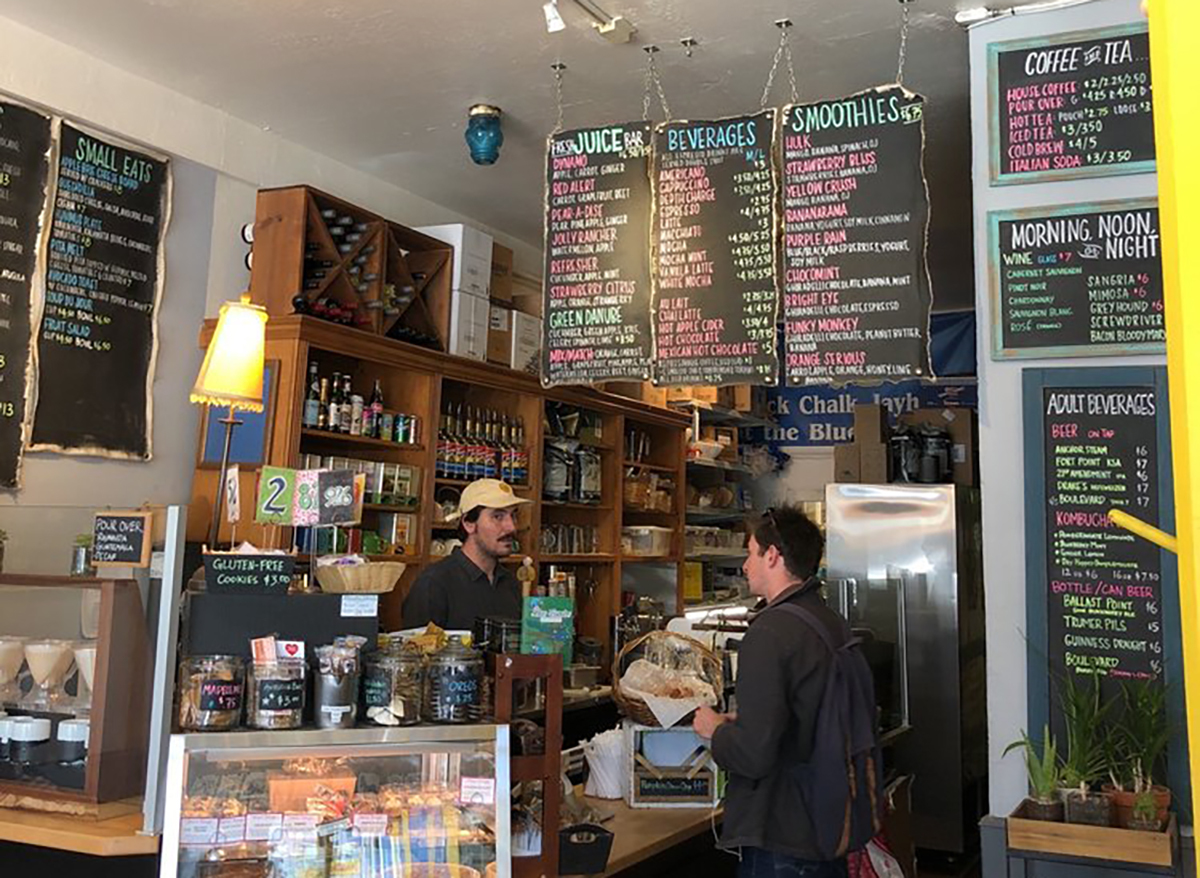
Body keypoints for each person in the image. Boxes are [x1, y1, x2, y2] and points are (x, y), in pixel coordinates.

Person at [693, 505, 852, 878]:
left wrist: (716, 729)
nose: (746, 566)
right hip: (826, 823)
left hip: (782, 836)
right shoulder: (829, 621)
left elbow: (754, 755)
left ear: (773, 556)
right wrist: (746, 721)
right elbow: (805, 717)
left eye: (750, 553)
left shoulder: (769, 632)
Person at [402, 478, 531, 630]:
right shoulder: (434, 584)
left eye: (513, 515)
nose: (511, 527)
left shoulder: (510, 583)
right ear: (469, 523)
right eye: (498, 516)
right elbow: (416, 648)